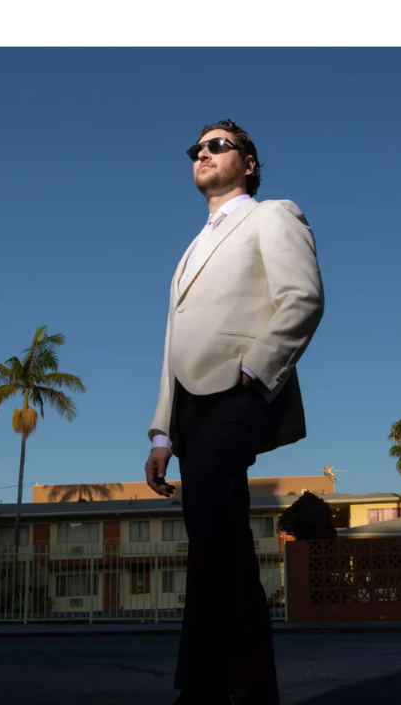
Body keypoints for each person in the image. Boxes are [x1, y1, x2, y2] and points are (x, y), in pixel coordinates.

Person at [145, 119, 324, 705]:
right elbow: (173, 345)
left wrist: (254, 372)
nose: (203, 152)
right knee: (212, 536)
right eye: (197, 148)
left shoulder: (273, 214)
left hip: (236, 392)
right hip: (190, 406)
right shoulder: (190, 248)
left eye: (217, 144)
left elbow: (303, 298)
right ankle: (207, 686)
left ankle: (240, 690)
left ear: (248, 162)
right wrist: (161, 433)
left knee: (217, 532)